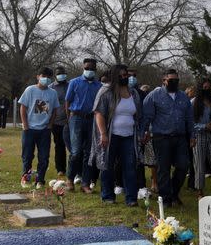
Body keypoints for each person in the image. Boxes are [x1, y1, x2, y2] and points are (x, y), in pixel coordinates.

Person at [141, 69, 196, 208]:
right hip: (161, 138)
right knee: (163, 169)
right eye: (171, 80)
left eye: (176, 80)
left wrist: (192, 135)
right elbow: (147, 116)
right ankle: (165, 199)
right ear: (164, 80)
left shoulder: (183, 97)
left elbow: (189, 118)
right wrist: (144, 132)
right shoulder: (154, 96)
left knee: (183, 166)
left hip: (180, 138)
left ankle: (174, 193)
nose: (174, 82)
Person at [90, 64, 142, 206]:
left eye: (126, 75)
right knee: (108, 165)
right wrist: (103, 134)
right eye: (121, 76)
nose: (125, 77)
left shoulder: (134, 93)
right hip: (111, 135)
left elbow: (138, 115)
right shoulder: (106, 92)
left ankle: (131, 198)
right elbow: (99, 113)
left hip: (129, 136)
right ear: (114, 77)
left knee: (130, 167)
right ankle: (107, 195)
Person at [18, 67, 60, 188]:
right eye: (43, 76)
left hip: (44, 131)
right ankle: (25, 177)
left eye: (48, 77)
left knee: (44, 157)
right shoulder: (30, 90)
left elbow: (55, 110)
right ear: (38, 76)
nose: (45, 79)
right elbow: (23, 107)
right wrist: (25, 124)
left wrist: (50, 124)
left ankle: (40, 180)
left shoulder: (52, 93)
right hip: (29, 129)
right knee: (27, 155)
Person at [65, 58, 102, 192]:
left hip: (92, 119)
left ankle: (85, 183)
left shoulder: (99, 86)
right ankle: (70, 178)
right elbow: (67, 101)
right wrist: (69, 119)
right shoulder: (74, 82)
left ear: (95, 70)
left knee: (89, 152)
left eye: (92, 69)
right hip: (76, 118)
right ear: (83, 68)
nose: (89, 71)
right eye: (87, 68)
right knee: (76, 152)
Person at [49, 66, 70, 177]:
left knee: (73, 147)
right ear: (55, 75)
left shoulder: (70, 85)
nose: (61, 75)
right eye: (59, 73)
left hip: (70, 121)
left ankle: (75, 171)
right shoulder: (51, 87)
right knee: (59, 146)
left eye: (63, 73)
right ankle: (60, 169)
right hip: (56, 122)